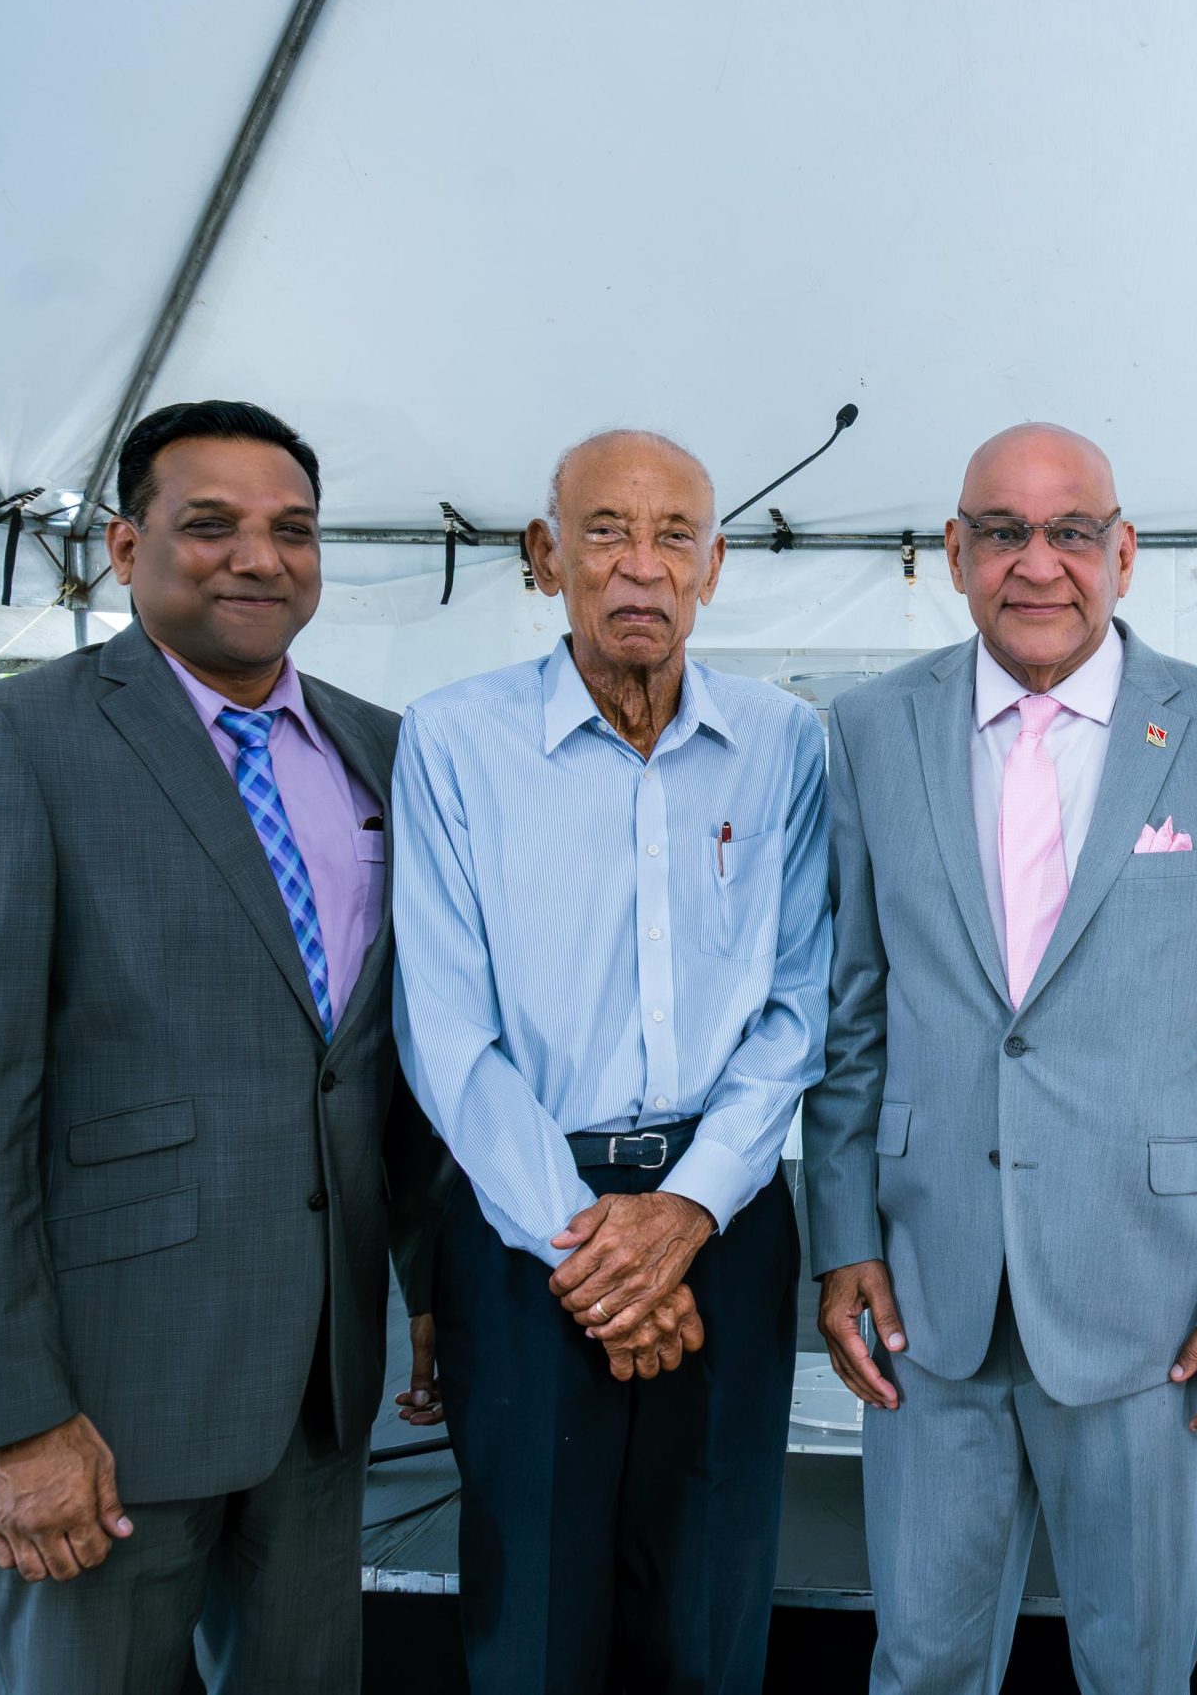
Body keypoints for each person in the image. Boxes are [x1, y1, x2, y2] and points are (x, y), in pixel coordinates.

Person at [0, 400, 447, 1693]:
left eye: (290, 529)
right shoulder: (17, 740)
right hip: (99, 1401)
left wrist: (431, 1289)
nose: (258, 555)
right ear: (127, 547)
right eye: (211, 525)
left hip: (321, 1377)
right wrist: (12, 1420)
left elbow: (384, 1063)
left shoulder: (388, 752)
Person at [804, 423, 1197, 1693]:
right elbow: (851, 1011)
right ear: (953, 552)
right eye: (1003, 532)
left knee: (1139, 1667)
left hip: (1157, 1309)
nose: (1037, 563)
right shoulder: (871, 730)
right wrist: (842, 1238)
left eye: (1070, 531)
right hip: (926, 1301)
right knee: (922, 1661)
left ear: (1125, 551)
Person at [390, 429, 831, 1692]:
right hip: (524, 1225)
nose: (640, 567)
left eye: (673, 535)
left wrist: (687, 1211)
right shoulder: (454, 740)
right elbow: (445, 1031)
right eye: (603, 531)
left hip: (727, 1218)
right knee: (531, 1613)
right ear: (544, 558)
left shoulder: (783, 741)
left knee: (711, 1602)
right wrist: (595, 1254)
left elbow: (798, 1004)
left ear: (715, 566)